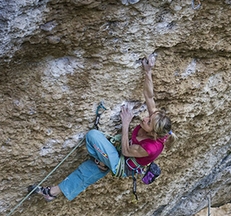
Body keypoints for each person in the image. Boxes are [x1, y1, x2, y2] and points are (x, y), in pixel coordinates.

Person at [32, 55, 175, 201]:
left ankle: (103, 161)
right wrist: (148, 70)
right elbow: (149, 97)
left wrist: (126, 123)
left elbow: (126, 151)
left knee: (93, 136)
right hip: (121, 152)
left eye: (148, 122)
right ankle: (51, 193)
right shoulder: (157, 121)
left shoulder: (151, 147)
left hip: (123, 164)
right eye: (149, 117)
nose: (145, 118)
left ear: (154, 134)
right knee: (89, 171)